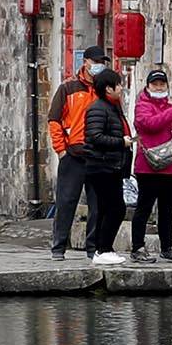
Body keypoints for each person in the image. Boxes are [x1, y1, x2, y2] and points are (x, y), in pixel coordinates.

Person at [127, 63, 172, 262]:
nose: (159, 87)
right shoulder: (142, 106)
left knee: (168, 210)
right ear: (148, 87)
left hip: (171, 167)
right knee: (144, 208)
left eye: (162, 84)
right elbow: (150, 124)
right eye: (155, 84)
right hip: (149, 167)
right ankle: (137, 248)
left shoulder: (171, 106)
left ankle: (167, 247)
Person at [45, 44, 109, 258]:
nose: (99, 66)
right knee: (66, 202)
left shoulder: (105, 89)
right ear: (86, 62)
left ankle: (94, 249)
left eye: (102, 62)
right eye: (96, 62)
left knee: (98, 205)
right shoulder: (68, 87)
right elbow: (54, 119)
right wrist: (61, 149)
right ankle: (58, 247)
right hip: (73, 154)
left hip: (98, 155)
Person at [71, 65, 133, 264]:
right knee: (116, 208)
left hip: (112, 166)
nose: (121, 88)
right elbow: (95, 137)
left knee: (107, 208)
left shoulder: (113, 107)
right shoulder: (98, 108)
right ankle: (103, 248)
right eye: (118, 85)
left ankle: (102, 248)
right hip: (101, 166)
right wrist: (121, 142)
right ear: (108, 88)